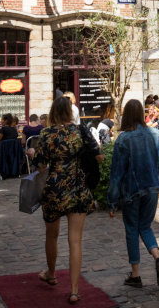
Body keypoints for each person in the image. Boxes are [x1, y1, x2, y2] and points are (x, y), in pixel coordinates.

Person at [32, 96, 103, 304]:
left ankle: (52, 273)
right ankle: (73, 290)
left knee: (51, 235)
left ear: (53, 111)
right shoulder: (80, 131)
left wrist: (32, 153)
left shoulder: (46, 133)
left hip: (54, 189)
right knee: (75, 241)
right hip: (77, 187)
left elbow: (41, 166)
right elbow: (99, 156)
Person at [107, 99, 159, 289]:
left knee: (131, 229)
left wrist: (112, 201)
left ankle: (135, 275)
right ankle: (157, 257)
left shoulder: (123, 139)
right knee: (145, 226)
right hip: (153, 188)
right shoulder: (155, 134)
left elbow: (116, 173)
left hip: (131, 190)